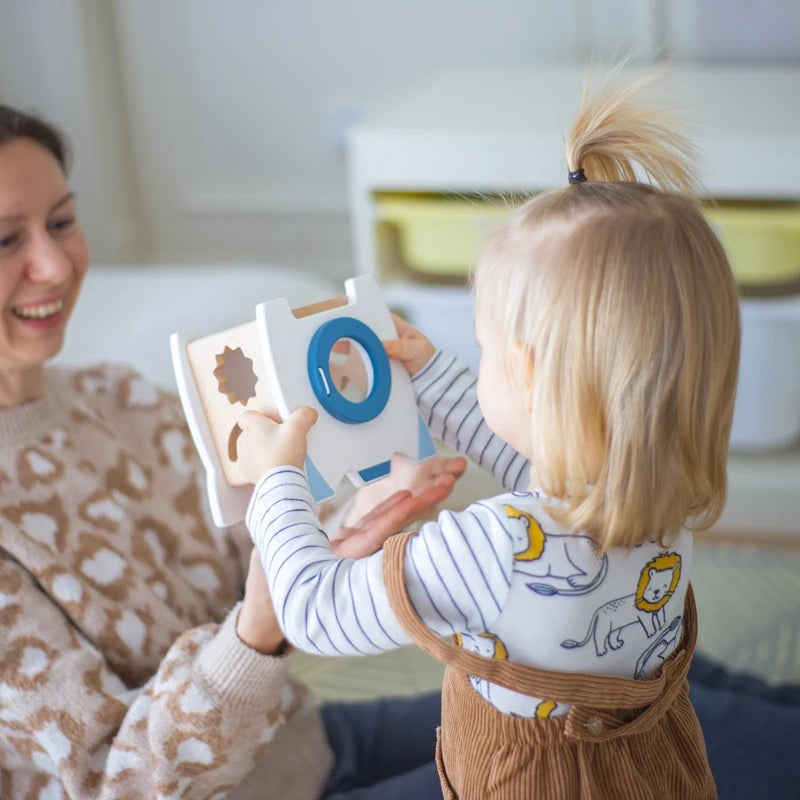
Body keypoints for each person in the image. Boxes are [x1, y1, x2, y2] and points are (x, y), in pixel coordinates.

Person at [236, 73, 740, 799]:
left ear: (530, 371)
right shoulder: (660, 489)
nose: (477, 363)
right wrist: (432, 375)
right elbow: (529, 456)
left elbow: (314, 612)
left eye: (483, 345)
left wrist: (273, 480)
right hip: (650, 769)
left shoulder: (489, 547)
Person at [0, 103, 466, 799]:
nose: (54, 263)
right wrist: (259, 629)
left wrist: (349, 518)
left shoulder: (119, 398)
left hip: (304, 748)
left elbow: (247, 563)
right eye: (6, 240)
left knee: (645, 689)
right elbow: (111, 783)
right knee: (601, 761)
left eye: (62, 222)